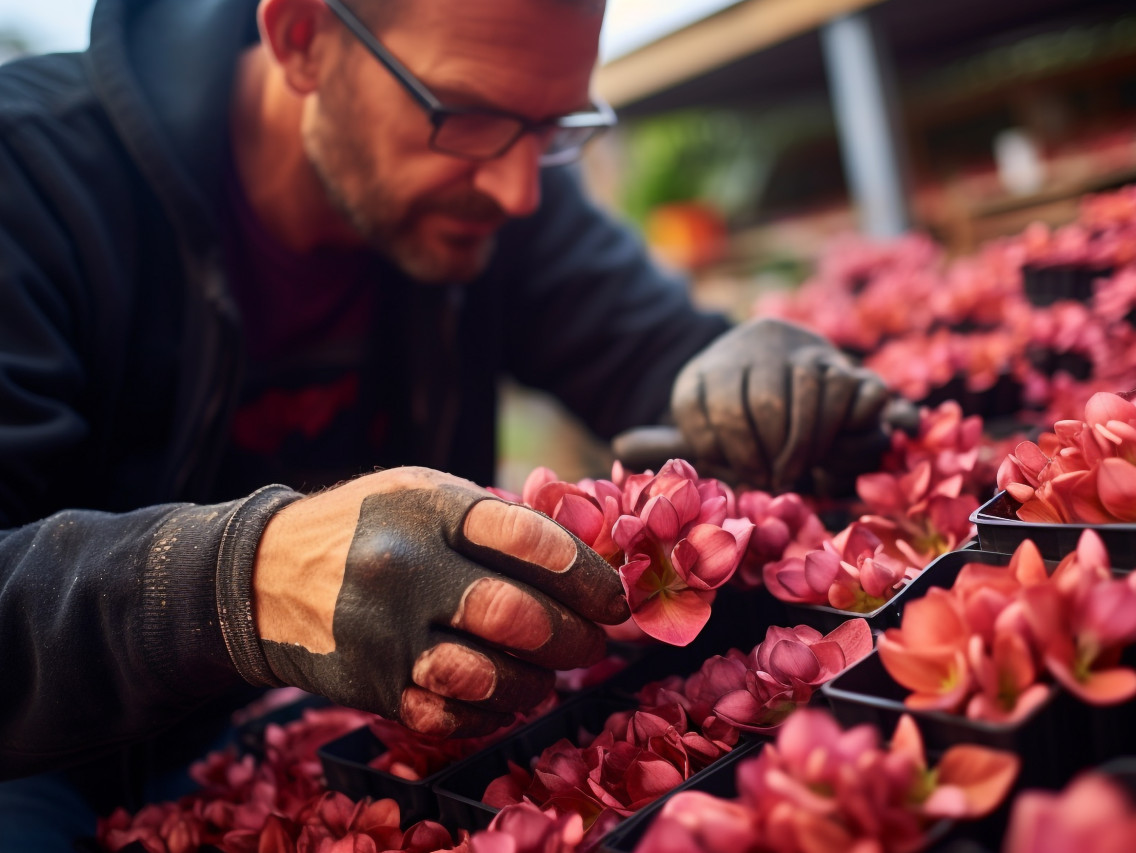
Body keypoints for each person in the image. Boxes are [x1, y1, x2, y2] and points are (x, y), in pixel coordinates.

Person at [0, 0, 903, 843]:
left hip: (367, 745)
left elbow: (656, 357)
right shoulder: (29, 174)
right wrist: (243, 580)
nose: (517, 194)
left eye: (552, 130)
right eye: (465, 116)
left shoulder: (495, 189)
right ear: (303, 38)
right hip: (53, 760)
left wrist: (747, 377)